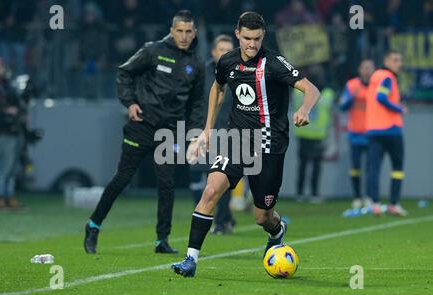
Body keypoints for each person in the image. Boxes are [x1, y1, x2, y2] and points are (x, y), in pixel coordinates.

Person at [171, 12, 320, 277]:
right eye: (247, 38)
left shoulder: (274, 63)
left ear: (263, 36)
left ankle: (277, 230)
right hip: (237, 140)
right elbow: (218, 89)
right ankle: (190, 260)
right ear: (237, 34)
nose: (252, 44)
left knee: (262, 216)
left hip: (270, 144)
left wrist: (305, 110)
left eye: (258, 39)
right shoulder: (227, 61)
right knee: (210, 190)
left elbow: (311, 89)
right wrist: (207, 129)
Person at [83, 10, 205, 254]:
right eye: (179, 31)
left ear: (194, 33)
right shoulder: (153, 51)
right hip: (142, 125)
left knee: (167, 184)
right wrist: (129, 103)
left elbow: (197, 102)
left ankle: (162, 240)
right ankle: (93, 225)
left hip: (169, 131)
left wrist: (192, 134)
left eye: (188, 32)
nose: (183, 36)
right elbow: (124, 72)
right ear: (172, 31)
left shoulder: (196, 64)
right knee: (123, 179)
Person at [189, 34, 236, 235]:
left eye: (229, 50)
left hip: (228, 132)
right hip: (201, 131)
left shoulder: (239, 73)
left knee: (222, 178)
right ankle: (202, 214)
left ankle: (222, 220)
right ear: (213, 52)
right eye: (222, 50)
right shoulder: (201, 73)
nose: (225, 53)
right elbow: (192, 103)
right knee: (196, 175)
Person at [365, 50, 407, 216]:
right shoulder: (388, 77)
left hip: (373, 129)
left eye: (400, 60)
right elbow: (381, 97)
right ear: (386, 61)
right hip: (391, 129)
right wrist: (400, 108)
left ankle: (374, 203)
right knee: (397, 167)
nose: (399, 63)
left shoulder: (375, 76)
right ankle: (393, 204)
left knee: (374, 168)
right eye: (396, 60)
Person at [0, 56, 27, 211]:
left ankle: (9, 196)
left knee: (12, 168)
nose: (0, 70)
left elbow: (19, 103)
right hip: (1, 132)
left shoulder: (8, 86)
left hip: (14, 131)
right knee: (2, 167)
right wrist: (5, 111)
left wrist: (19, 113)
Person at [293, 65, 334, 203]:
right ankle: (309, 194)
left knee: (308, 166)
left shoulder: (300, 92)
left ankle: (306, 193)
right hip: (311, 134)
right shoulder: (327, 93)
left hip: (310, 133)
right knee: (309, 166)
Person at [339, 59, 375, 208]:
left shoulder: (377, 86)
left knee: (371, 168)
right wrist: (352, 97)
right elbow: (343, 106)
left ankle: (369, 197)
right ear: (360, 69)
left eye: (370, 68)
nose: (367, 70)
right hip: (355, 132)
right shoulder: (352, 85)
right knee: (355, 167)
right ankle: (357, 197)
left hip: (372, 132)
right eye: (365, 67)